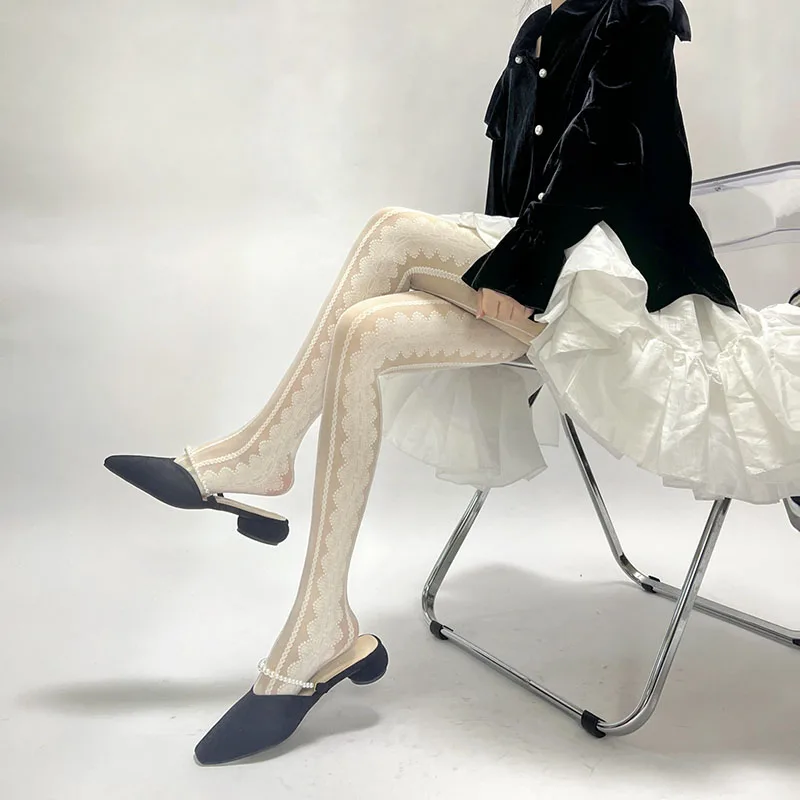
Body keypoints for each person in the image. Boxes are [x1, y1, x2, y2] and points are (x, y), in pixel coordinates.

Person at [104, 0, 800, 764]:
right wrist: (493, 287)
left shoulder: (635, 13)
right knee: (363, 331)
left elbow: (606, 157)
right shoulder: (541, 27)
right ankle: (319, 630)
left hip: (634, 298)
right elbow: (513, 191)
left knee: (392, 230)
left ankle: (258, 458)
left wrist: (523, 267)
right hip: (543, 292)